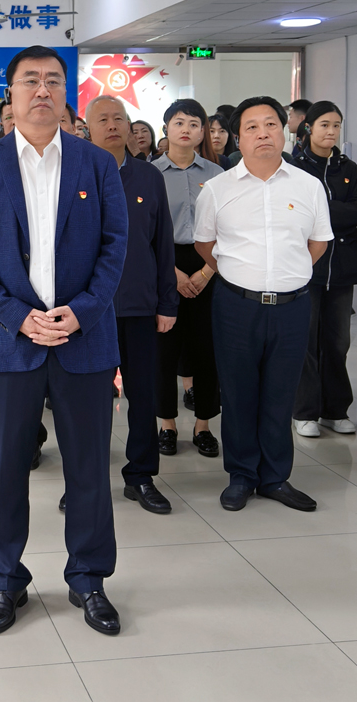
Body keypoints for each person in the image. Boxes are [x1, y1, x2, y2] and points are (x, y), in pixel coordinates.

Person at [0, 45, 127, 637]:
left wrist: (81, 313)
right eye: (30, 80)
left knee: (89, 469)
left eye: (53, 80)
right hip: (9, 341)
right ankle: (5, 579)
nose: (42, 90)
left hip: (84, 338)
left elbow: (115, 247)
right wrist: (18, 316)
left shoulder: (96, 164)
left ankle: (89, 577)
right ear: (10, 93)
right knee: (5, 469)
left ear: (65, 93)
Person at [195, 97, 333, 512]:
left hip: (292, 306)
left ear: (285, 130)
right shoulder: (218, 188)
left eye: (270, 124)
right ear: (238, 138)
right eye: (251, 127)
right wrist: (244, 273)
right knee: (239, 393)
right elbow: (205, 244)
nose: (263, 134)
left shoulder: (308, 185)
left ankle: (275, 477)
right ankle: (242, 476)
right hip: (236, 305)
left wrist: (286, 274)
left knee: (280, 393)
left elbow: (318, 242)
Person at [85, 96, 178, 514]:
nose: (112, 126)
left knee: (143, 394)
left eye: (118, 118)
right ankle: (85, 481)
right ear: (88, 128)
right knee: (89, 401)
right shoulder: (74, 173)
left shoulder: (149, 177)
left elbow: (163, 244)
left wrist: (167, 303)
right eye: (102, 119)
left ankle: (140, 476)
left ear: (129, 125)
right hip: (88, 310)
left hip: (140, 305)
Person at [153, 99, 224, 458]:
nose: (186, 129)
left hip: (209, 263)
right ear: (165, 128)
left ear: (202, 132)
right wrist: (173, 273)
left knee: (206, 349)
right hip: (164, 263)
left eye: (194, 124)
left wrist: (207, 270)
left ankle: (203, 426)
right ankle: (167, 424)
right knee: (164, 350)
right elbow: (144, 233)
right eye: (179, 122)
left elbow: (229, 228)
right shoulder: (150, 173)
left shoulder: (218, 174)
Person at [292, 102, 357, 436]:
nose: (331, 131)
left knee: (337, 343)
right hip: (306, 265)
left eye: (336, 125)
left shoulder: (348, 167)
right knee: (305, 341)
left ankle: (335, 410)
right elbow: (298, 213)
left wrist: (322, 209)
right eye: (324, 125)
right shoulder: (295, 167)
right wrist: (335, 211)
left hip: (343, 266)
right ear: (309, 128)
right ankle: (305, 411)